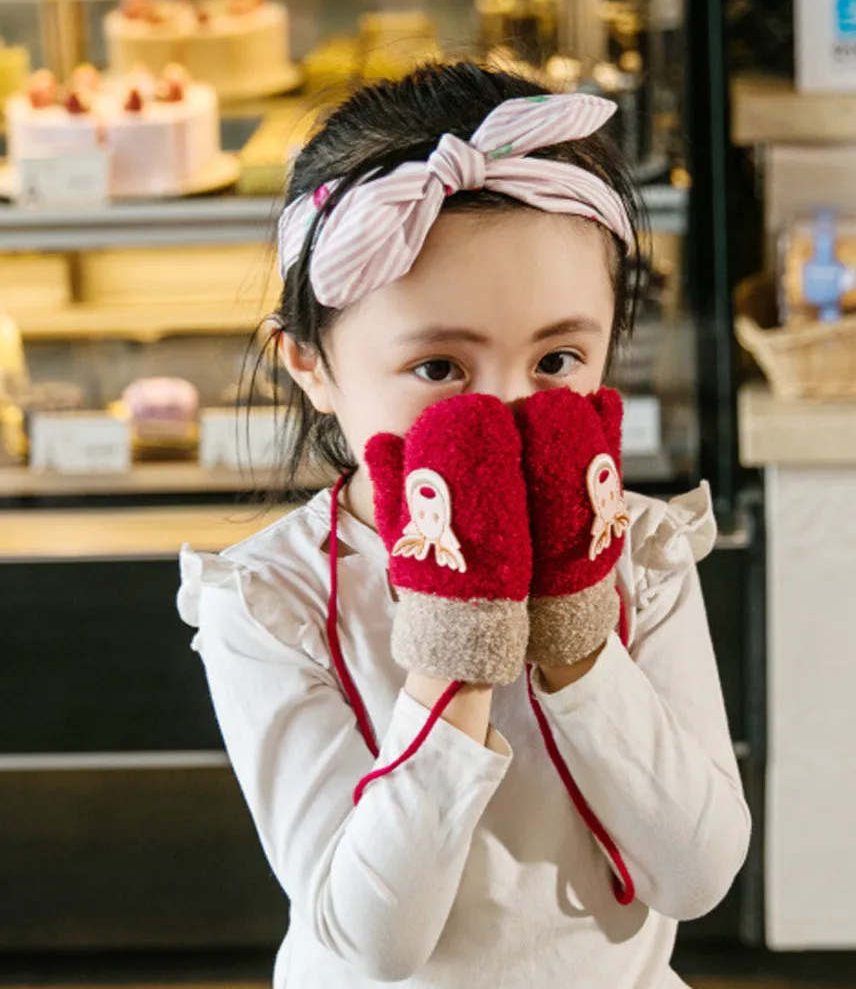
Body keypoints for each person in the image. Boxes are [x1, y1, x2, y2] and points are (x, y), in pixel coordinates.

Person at [178, 61, 750, 989]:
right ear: (311, 364)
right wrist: (460, 630)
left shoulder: (641, 554)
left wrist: (572, 617)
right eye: (440, 369)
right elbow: (373, 942)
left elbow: (695, 873)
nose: (505, 416)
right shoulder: (270, 600)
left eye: (558, 358)